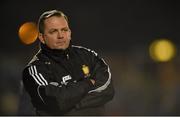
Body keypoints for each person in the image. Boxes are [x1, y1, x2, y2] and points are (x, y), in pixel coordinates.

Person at [22, 9, 114, 115]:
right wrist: (89, 83)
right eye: (53, 31)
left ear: (70, 33)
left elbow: (108, 89)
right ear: (42, 37)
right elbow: (57, 101)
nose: (61, 35)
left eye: (64, 30)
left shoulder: (88, 55)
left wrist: (73, 104)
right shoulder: (34, 69)